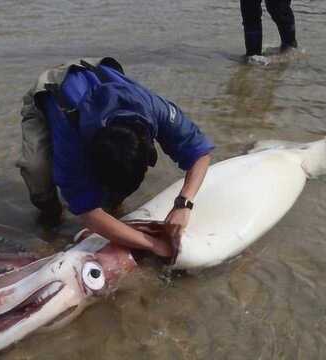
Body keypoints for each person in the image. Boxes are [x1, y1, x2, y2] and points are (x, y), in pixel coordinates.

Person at [16, 57, 214, 258]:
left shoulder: (155, 109)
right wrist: (151, 244)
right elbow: (88, 214)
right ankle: (50, 218)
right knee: (36, 169)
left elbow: (200, 153)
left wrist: (184, 203)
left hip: (95, 71)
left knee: (114, 194)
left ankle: (115, 205)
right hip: (50, 90)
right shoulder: (71, 139)